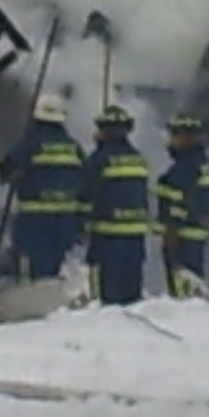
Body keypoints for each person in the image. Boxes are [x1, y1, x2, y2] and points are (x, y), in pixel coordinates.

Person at [0, 93, 86, 281]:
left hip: (34, 221)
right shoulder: (74, 147)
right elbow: (86, 181)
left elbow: (5, 169)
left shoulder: (31, 144)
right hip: (65, 221)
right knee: (53, 267)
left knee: (30, 271)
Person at [83, 105, 152, 305]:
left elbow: (86, 194)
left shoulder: (99, 160)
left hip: (108, 238)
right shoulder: (139, 159)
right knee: (132, 297)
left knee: (108, 300)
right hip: (136, 238)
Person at [155, 113, 209, 299]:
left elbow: (179, 202)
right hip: (194, 235)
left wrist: (171, 232)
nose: (171, 140)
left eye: (175, 135)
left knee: (183, 288)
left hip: (181, 237)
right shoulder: (201, 164)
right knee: (189, 282)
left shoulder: (185, 167)